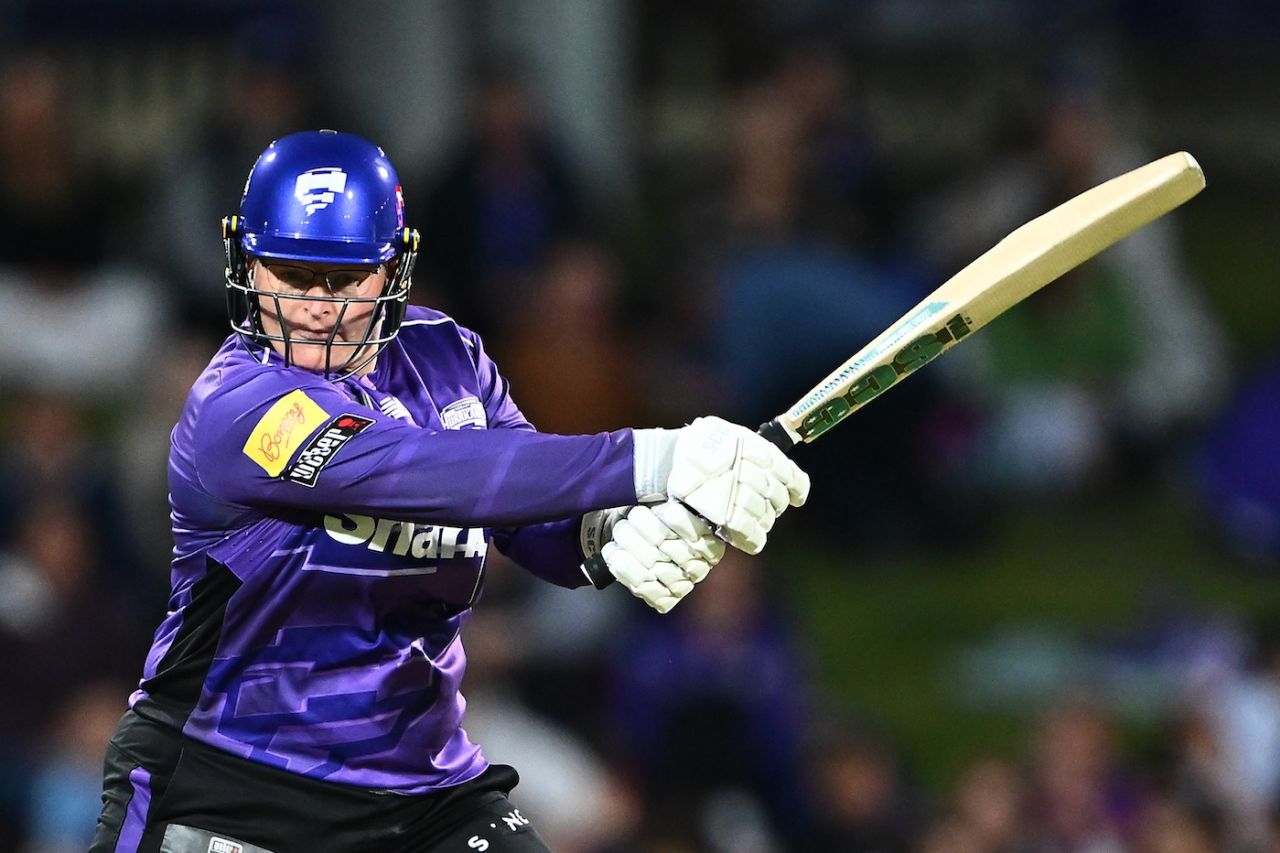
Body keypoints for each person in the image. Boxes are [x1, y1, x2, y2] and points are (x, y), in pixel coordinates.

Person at [87, 129, 808, 853]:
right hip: (229, 787)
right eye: (289, 273)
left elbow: (526, 507)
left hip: (422, 792)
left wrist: (611, 534)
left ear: (393, 268)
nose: (312, 303)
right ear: (246, 262)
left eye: (342, 278)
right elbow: (418, 473)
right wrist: (658, 456)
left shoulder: (447, 358)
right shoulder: (235, 404)